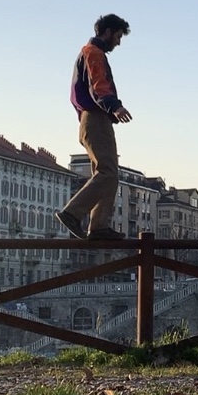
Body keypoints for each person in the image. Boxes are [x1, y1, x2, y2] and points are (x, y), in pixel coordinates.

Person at [56, 14, 132, 240]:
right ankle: (72, 213)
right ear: (107, 32)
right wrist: (114, 106)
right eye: (118, 36)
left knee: (109, 173)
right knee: (108, 172)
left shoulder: (89, 52)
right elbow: (99, 85)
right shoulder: (94, 53)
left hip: (91, 118)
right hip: (96, 117)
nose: (118, 42)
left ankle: (99, 226)